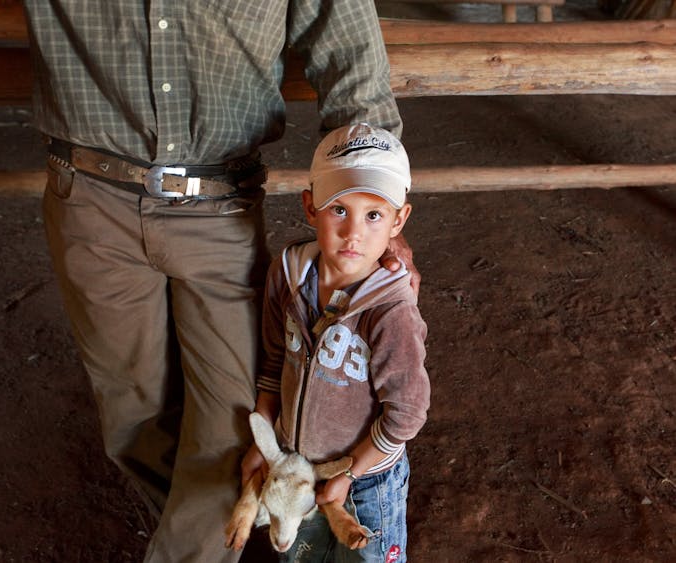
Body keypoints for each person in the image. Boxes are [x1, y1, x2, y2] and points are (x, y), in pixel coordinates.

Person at [22, 2, 415, 562]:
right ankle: (219, 532)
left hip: (219, 207)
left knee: (236, 428)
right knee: (133, 412)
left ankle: (204, 541)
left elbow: (349, 41)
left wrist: (375, 197)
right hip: (88, 196)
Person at [247, 123, 431, 562]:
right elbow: (275, 362)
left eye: (374, 215)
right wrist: (264, 445)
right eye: (339, 210)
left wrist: (352, 471)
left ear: (398, 220)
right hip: (297, 468)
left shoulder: (390, 312)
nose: (354, 233)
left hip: (367, 482)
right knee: (301, 554)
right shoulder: (287, 276)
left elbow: (407, 414)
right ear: (310, 208)